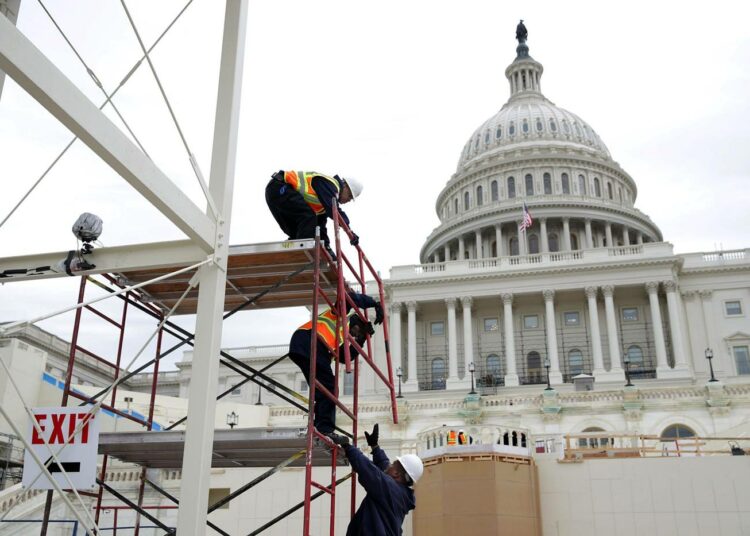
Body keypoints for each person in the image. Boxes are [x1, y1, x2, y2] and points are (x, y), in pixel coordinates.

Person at [288, 291, 383, 439]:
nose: (355, 335)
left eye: (357, 334)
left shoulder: (341, 339)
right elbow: (348, 297)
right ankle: (324, 429)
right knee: (329, 389)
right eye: (356, 331)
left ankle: (318, 428)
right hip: (309, 340)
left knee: (324, 390)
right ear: (352, 322)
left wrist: (362, 339)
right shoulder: (338, 316)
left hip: (307, 347)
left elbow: (347, 357)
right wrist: (373, 303)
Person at [330, 424, 423, 536]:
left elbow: (368, 470)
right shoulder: (398, 492)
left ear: (396, 474)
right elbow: (384, 468)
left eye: (393, 464)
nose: (389, 465)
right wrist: (375, 447)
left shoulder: (390, 488)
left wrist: (347, 446)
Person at [265, 170, 363, 257]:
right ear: (344, 186)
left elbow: (320, 226)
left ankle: (291, 254)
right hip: (280, 187)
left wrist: (327, 248)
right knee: (308, 217)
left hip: (276, 194)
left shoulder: (324, 200)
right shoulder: (331, 185)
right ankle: (301, 253)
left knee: (302, 230)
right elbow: (334, 210)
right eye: (349, 196)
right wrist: (349, 230)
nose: (348, 200)